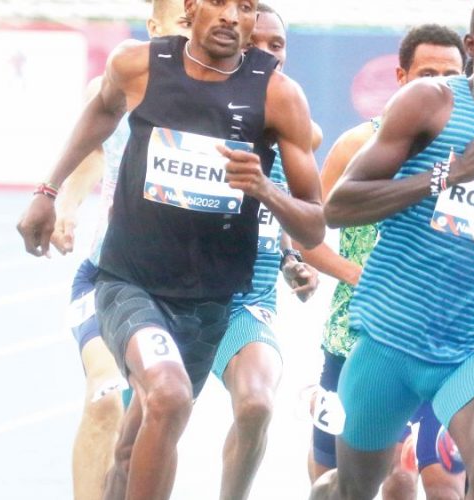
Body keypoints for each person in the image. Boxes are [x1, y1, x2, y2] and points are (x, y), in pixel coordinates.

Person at [16, 0, 324, 498]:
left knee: (136, 442)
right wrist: (48, 193)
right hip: (128, 282)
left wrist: (266, 189)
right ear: (191, 8)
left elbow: (314, 227)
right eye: (219, 3)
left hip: (211, 303)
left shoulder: (279, 96)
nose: (230, 16)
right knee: (169, 395)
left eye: (244, 6)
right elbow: (99, 114)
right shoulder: (137, 65)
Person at [309, 1, 474, 498]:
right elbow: (337, 207)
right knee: (356, 489)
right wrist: (450, 175)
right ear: (473, 47)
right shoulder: (431, 102)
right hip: (391, 337)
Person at [299, 24, 470, 500]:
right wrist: (357, 275)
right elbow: (307, 235)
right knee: (334, 479)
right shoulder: (356, 145)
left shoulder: (473, 153)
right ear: (400, 77)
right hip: (356, 337)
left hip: (442, 342)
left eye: (451, 75)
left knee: (428, 479)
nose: (438, 84)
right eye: (426, 73)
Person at [50, 2, 191, 498]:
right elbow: (93, 156)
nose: (192, 34)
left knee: (153, 420)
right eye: (182, 23)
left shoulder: (221, 99)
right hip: (107, 273)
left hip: (177, 289)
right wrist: (65, 203)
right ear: (154, 29)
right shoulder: (118, 82)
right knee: (105, 397)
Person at [207, 4, 321, 499]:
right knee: (140, 419)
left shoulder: (293, 127)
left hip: (245, 302)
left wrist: (290, 258)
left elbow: (294, 216)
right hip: (171, 291)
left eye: (278, 46)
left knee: (256, 405)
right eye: (259, 43)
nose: (269, 55)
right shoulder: (203, 108)